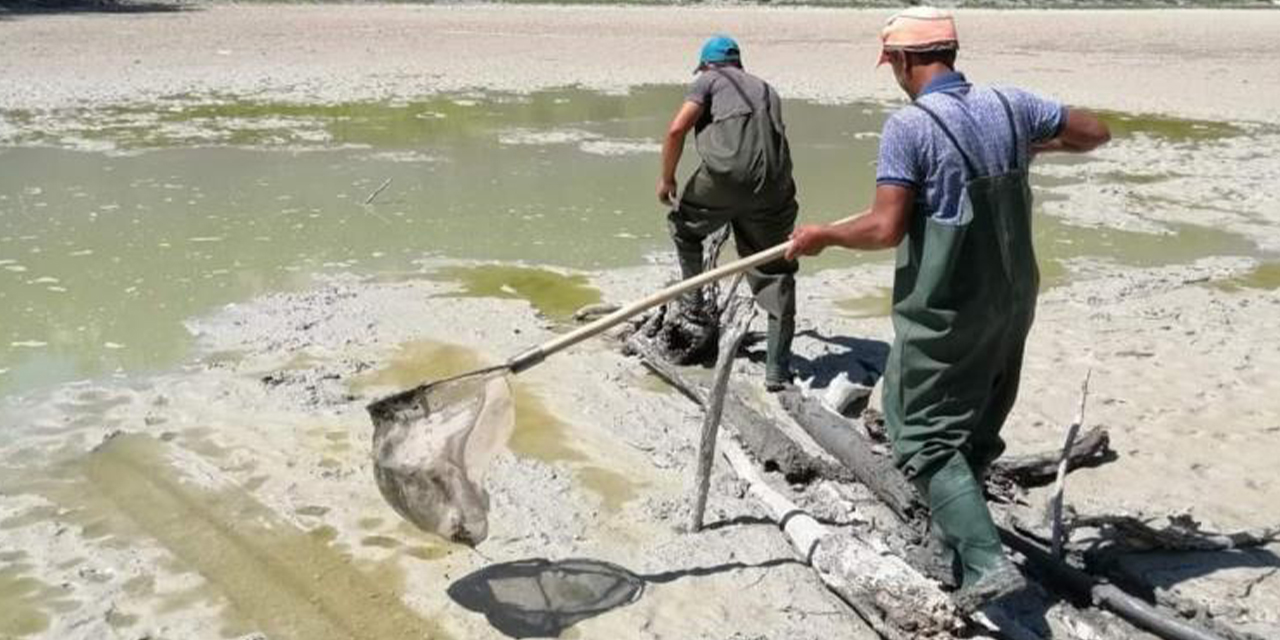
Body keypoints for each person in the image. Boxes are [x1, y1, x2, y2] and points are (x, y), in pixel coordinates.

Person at [786, 7, 1110, 611]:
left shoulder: (910, 127)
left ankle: (984, 562)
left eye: (894, 66)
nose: (894, 77)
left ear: (906, 61)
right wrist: (1034, 147)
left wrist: (824, 236)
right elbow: (1095, 132)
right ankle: (951, 546)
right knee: (977, 425)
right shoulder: (1011, 106)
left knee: (919, 431)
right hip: (1013, 299)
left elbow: (886, 228)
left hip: (949, 306)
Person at [658, 35, 799, 391]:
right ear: (738, 63)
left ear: (707, 65)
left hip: (724, 179)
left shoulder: (706, 81)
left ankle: (693, 304)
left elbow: (677, 128)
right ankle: (777, 370)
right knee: (776, 270)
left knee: (684, 228)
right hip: (775, 186)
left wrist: (667, 179)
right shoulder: (767, 89)